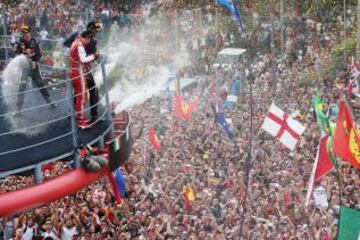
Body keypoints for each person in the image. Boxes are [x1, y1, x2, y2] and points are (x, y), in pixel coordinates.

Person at [64, 21, 102, 123]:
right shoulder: (78, 35)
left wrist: (96, 55)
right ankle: (74, 114)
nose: (96, 33)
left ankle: (94, 115)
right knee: (79, 92)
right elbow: (66, 43)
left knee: (92, 90)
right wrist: (78, 51)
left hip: (86, 69)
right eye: (95, 31)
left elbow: (93, 55)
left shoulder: (93, 41)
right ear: (90, 28)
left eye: (97, 32)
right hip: (77, 69)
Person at [14, 24, 56, 111]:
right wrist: (21, 55)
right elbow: (16, 53)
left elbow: (39, 54)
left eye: (26, 33)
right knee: (22, 86)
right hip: (25, 68)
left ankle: (50, 101)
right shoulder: (19, 42)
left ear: (29, 33)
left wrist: (34, 61)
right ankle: (18, 108)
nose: (25, 34)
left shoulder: (35, 41)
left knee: (41, 85)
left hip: (34, 68)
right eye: (23, 33)